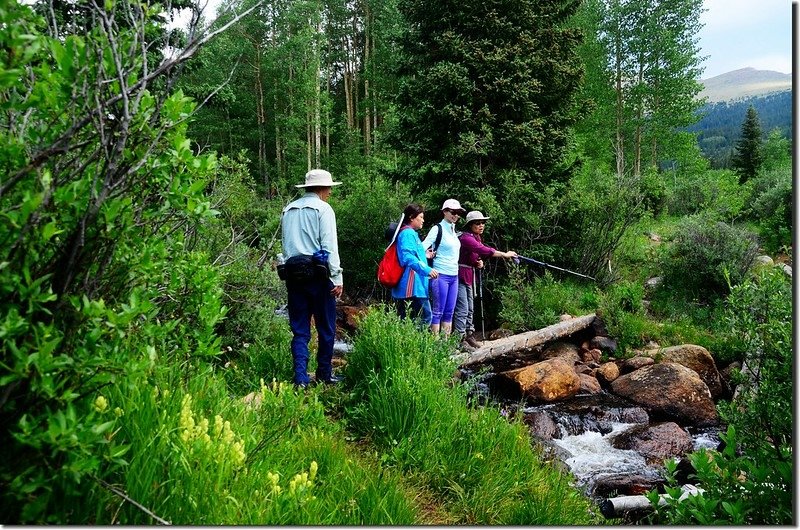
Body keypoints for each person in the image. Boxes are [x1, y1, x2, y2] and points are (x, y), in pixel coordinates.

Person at [280, 169, 344, 389]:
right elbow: (329, 246)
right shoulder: (324, 209)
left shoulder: (288, 209)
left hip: (293, 275)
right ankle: (324, 375)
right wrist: (337, 277)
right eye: (329, 189)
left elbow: (285, 247)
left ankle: (300, 378)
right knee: (326, 327)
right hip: (319, 275)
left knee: (300, 329)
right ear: (322, 189)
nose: (329, 193)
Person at [454, 210, 518, 351]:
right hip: (459, 275)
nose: (481, 225)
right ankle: (459, 340)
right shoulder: (466, 238)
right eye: (478, 223)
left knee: (470, 308)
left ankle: (469, 336)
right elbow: (481, 249)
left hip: (469, 274)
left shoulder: (476, 237)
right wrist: (505, 255)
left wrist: (478, 262)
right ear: (470, 225)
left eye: (483, 223)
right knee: (462, 308)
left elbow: (476, 254)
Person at [422, 199, 466, 339]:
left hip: (454, 275)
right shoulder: (437, 229)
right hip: (440, 275)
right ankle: (435, 346)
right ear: (445, 212)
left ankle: (445, 345)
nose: (456, 216)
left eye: (458, 213)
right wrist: (426, 256)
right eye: (453, 212)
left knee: (449, 312)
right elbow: (421, 247)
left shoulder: (453, 230)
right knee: (438, 311)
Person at [390, 204, 439, 326]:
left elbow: (411, 253)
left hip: (413, 286)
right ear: (412, 217)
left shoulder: (409, 233)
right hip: (412, 287)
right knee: (425, 317)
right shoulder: (408, 233)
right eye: (421, 217)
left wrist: (424, 255)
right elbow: (408, 257)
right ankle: (418, 345)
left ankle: (408, 344)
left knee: (408, 320)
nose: (423, 220)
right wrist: (427, 269)